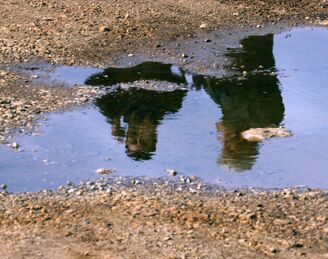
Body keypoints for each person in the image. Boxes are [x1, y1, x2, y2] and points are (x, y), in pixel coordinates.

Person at [199, 34, 285, 171]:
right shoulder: (265, 121)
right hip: (248, 50)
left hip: (238, 51)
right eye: (227, 148)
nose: (222, 142)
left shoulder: (260, 123)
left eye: (225, 147)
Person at [91, 63, 188, 160]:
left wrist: (114, 119)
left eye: (133, 135)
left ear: (127, 133)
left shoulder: (117, 108)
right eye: (143, 141)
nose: (138, 133)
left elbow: (92, 84)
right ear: (154, 136)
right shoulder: (171, 106)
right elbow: (181, 82)